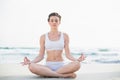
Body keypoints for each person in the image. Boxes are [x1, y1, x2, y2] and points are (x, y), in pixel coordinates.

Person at [21, 12, 86, 78]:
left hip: (62, 66)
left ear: (59, 22)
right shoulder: (43, 37)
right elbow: (40, 56)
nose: (54, 22)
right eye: (52, 20)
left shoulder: (65, 36)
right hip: (48, 66)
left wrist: (77, 60)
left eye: (56, 20)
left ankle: (48, 74)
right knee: (31, 66)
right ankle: (61, 75)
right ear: (49, 22)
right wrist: (31, 62)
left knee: (77, 64)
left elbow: (68, 55)